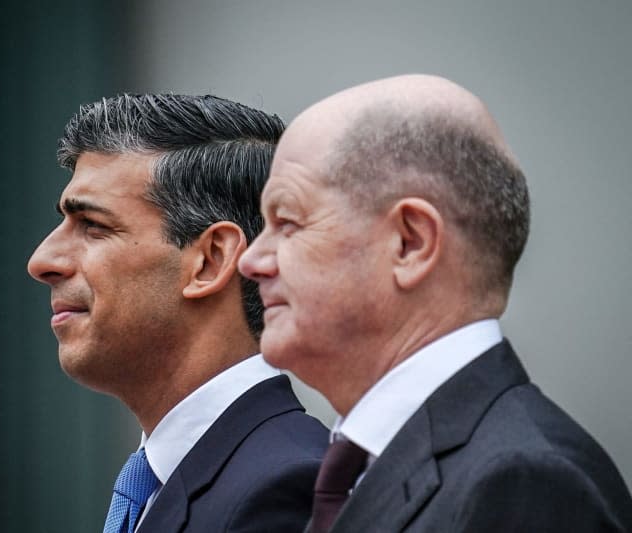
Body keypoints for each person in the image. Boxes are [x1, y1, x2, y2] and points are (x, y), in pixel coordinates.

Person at [238, 74, 632, 532]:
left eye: (287, 221)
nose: (251, 260)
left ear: (410, 243)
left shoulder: (524, 483)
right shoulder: (364, 467)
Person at [27, 93, 328, 533]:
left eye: (93, 226)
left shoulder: (286, 489)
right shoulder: (174, 477)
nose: (42, 261)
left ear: (210, 260)